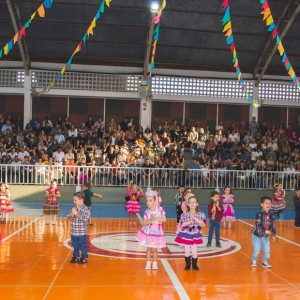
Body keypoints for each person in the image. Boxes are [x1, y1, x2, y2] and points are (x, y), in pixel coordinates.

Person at [136, 190, 166, 270]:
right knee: (149, 249)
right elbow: (144, 223)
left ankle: (155, 263)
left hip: (157, 232)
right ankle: (148, 263)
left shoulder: (160, 210)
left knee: (155, 249)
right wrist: (150, 220)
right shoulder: (147, 211)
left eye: (150, 201)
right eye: (147, 201)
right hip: (149, 232)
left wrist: (156, 218)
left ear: (155, 200)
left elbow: (164, 219)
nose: (148, 203)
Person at [175, 194, 206, 271]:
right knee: (187, 250)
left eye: (194, 202)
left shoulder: (201, 214)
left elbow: (203, 224)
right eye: (190, 202)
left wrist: (195, 218)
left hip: (195, 234)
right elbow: (182, 224)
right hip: (187, 234)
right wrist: (190, 220)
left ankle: (195, 265)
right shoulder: (184, 214)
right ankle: (188, 265)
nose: (192, 204)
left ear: (197, 204)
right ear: (187, 204)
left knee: (194, 250)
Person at [251, 196, 276, 268]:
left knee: (267, 251)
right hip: (257, 235)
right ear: (261, 204)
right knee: (257, 250)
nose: (268, 205)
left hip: (266, 236)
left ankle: (264, 262)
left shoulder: (272, 214)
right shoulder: (259, 214)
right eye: (266, 203)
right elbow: (258, 225)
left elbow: (273, 224)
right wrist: (261, 235)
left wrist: (273, 234)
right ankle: (254, 259)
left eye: (270, 203)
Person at [67, 192, 91, 264]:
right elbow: (68, 216)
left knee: (82, 245)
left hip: (81, 233)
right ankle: (76, 256)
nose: (74, 202)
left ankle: (84, 257)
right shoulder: (74, 208)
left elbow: (85, 219)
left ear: (81, 200)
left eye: (75, 200)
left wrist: (77, 214)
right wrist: (72, 214)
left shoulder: (86, 209)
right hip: (74, 232)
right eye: (73, 200)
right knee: (75, 245)